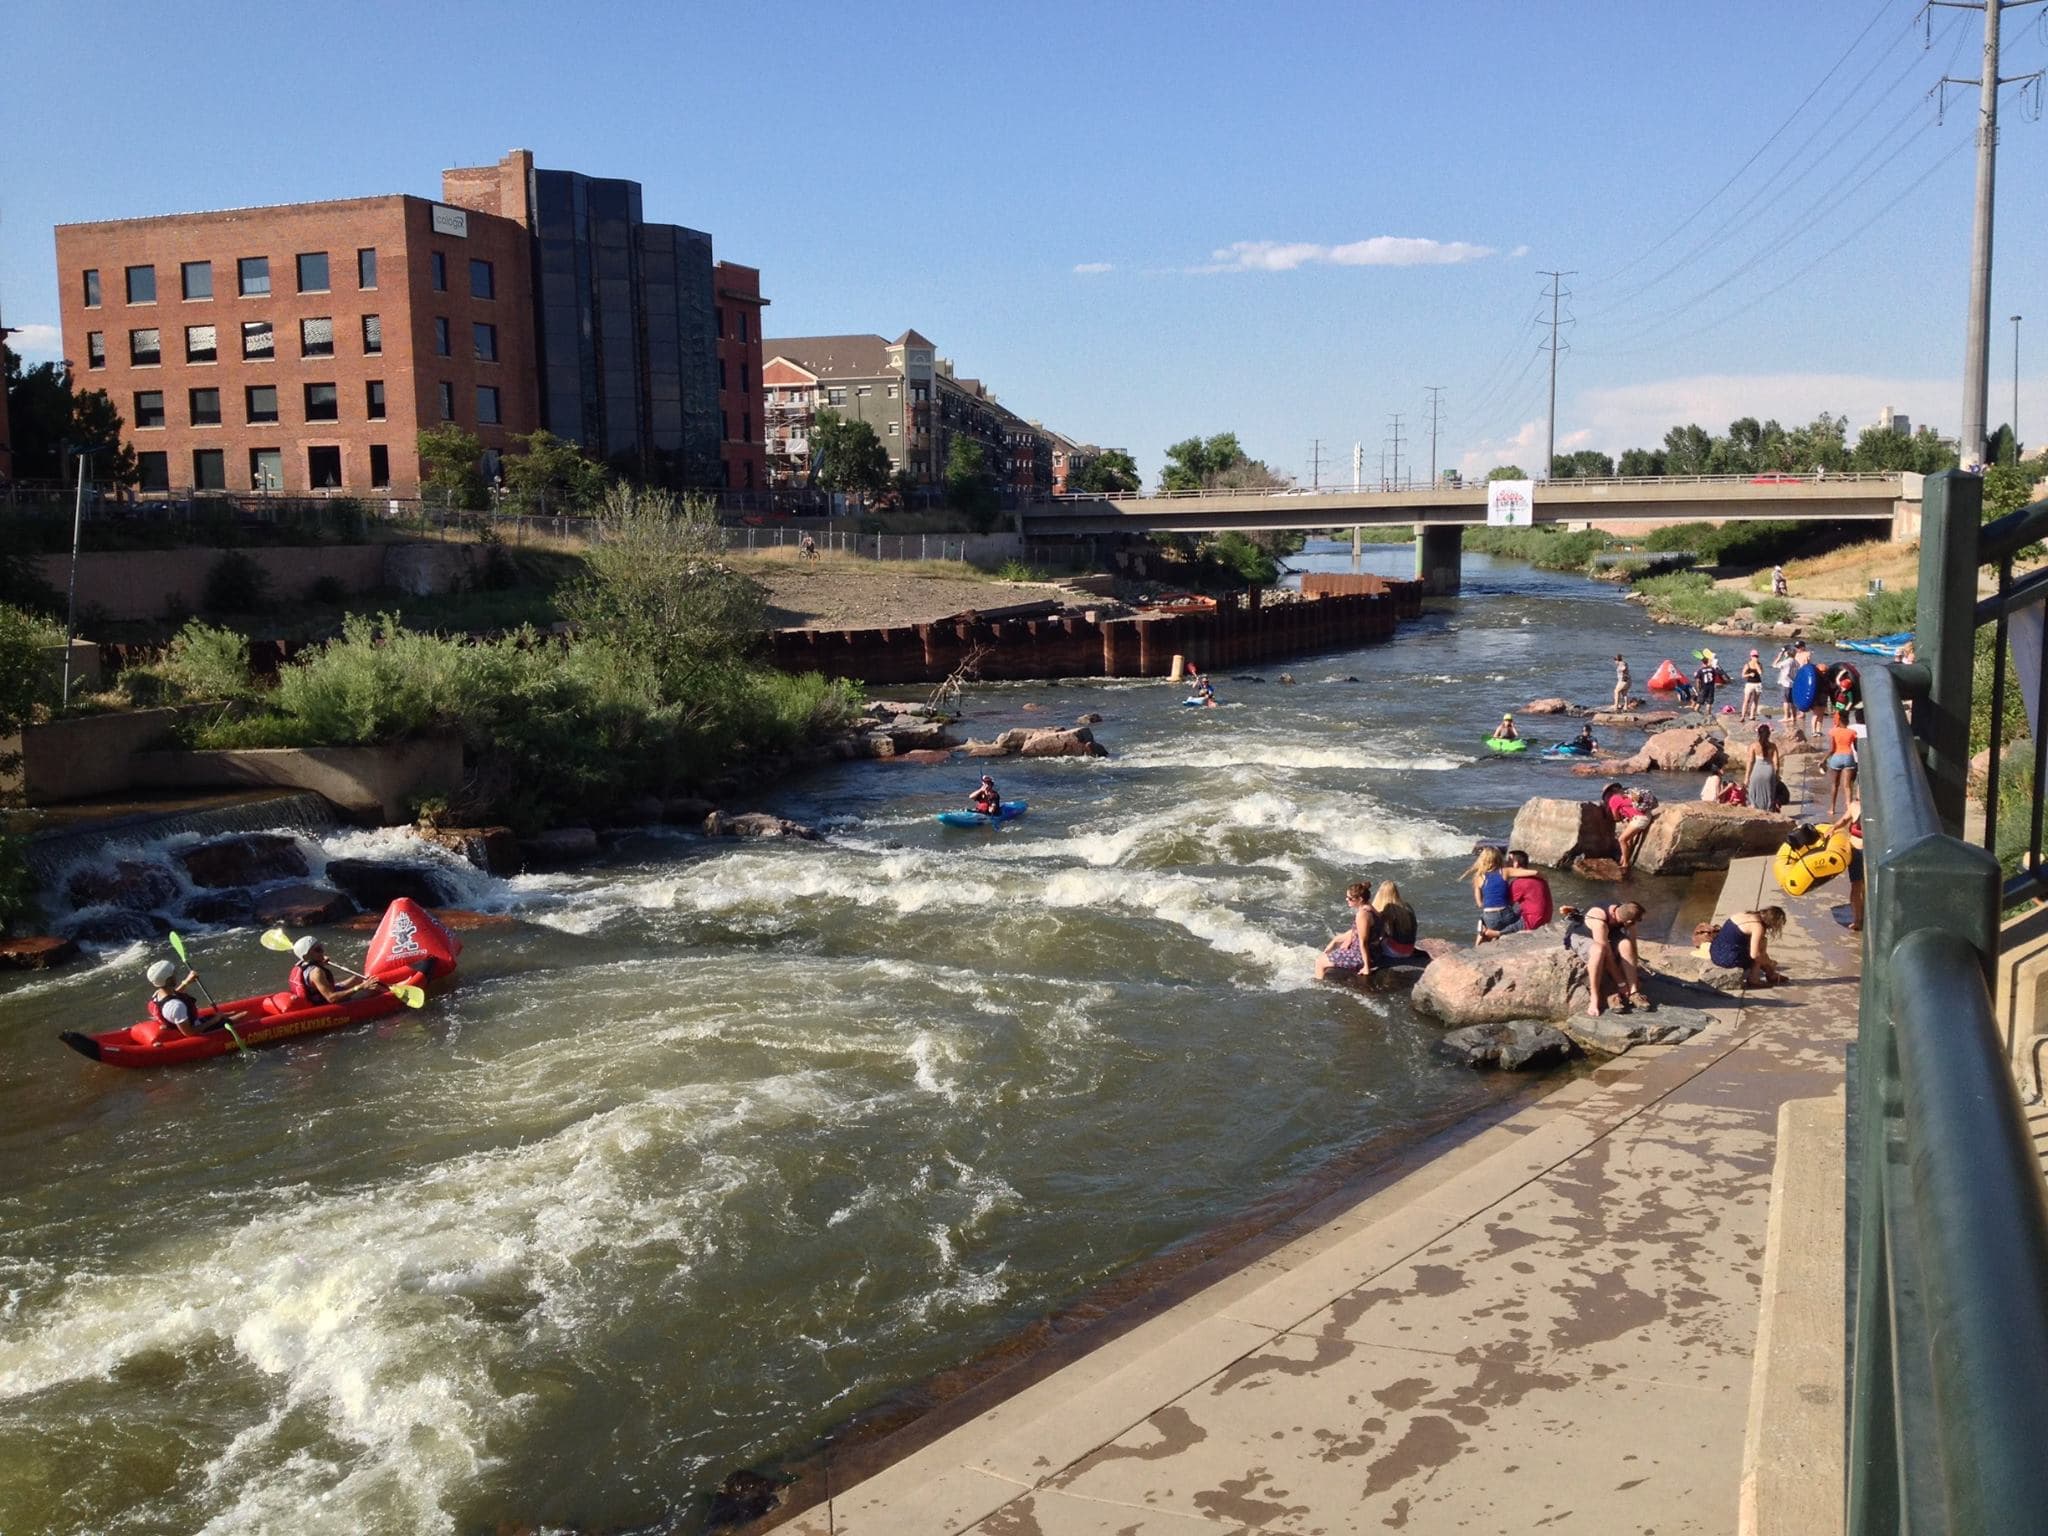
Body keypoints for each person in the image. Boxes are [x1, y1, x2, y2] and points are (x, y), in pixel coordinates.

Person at [1570, 900, 1651, 1017]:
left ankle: (1633, 993)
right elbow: (1608, 956)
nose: (1638, 923)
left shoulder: (1626, 911)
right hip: (1582, 936)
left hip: (1609, 934)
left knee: (1626, 945)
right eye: (1636, 922)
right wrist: (1621, 983)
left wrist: (1634, 979)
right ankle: (1595, 996)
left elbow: (1632, 945)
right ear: (1628, 921)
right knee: (1599, 951)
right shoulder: (1600, 922)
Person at [1707, 906, 1790, 987]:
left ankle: (1771, 974)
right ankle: (1754, 979)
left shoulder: (1745, 914)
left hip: (1715, 950)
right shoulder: (1758, 926)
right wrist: (1769, 962)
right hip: (1726, 958)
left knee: (1761, 943)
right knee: (1760, 950)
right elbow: (1755, 955)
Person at [1316, 881, 1382, 981]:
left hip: (1359, 956)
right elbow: (1359, 931)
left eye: (1350, 898)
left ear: (1360, 899)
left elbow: (1363, 942)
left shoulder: (1362, 915)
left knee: (1320, 961)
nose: (1347, 900)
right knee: (1333, 949)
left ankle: (1319, 985)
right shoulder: (1369, 907)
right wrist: (1340, 940)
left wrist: (1366, 967)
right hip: (1373, 951)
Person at [288, 935, 380, 1006]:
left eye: (321, 947)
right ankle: (385, 997)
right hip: (324, 1002)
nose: (322, 952)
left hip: (320, 994)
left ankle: (383, 990)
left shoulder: (302, 963)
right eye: (318, 950)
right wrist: (360, 987)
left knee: (358, 978)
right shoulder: (316, 972)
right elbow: (331, 999)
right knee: (363, 987)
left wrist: (320, 962)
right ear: (306, 956)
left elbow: (310, 973)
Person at [139, 958, 205, 1043]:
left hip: (177, 1024)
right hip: (196, 1029)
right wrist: (216, 1019)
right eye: (174, 974)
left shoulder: (157, 995)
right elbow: (190, 1032)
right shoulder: (177, 1006)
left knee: (225, 1015)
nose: (176, 974)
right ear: (169, 979)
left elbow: (171, 996)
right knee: (225, 1019)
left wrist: (186, 982)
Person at [1602, 780, 1655, 875]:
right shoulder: (1625, 795)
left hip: (1640, 819)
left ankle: (1625, 864)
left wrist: (1619, 819)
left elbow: (1615, 817)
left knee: (1622, 840)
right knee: (1628, 840)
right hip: (1645, 815)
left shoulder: (1613, 799)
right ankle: (1623, 859)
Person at [1467, 845, 1515, 943]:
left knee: (1482, 920)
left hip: (1491, 917)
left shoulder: (1479, 877)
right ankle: (1493, 934)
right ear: (1499, 859)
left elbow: (1479, 903)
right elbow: (1532, 873)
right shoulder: (1505, 872)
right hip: (1507, 914)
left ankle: (1479, 944)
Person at [1834, 798, 1865, 933]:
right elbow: (1843, 821)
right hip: (1856, 852)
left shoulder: (1877, 806)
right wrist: (1833, 828)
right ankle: (1857, 919)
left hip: (1868, 852)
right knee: (1857, 886)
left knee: (1863, 887)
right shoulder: (1855, 806)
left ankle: (1862, 916)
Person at [1503, 850, 1554, 933]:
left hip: (1532, 923)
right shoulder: (1540, 878)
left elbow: (1506, 905)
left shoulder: (1519, 883)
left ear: (1516, 863)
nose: (1506, 863)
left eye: (1509, 860)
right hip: (1546, 919)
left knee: (1497, 924)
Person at [1371, 881, 1420, 964]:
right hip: (1409, 950)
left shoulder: (1386, 910)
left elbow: (1380, 934)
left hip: (1394, 952)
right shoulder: (1406, 906)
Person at [1825, 710, 1858, 818]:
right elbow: (1857, 749)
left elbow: (1831, 749)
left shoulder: (1833, 731)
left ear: (1838, 720)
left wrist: (1823, 759)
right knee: (1847, 785)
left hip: (1837, 757)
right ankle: (1849, 808)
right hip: (1848, 756)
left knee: (1835, 784)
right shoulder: (1852, 732)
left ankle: (1832, 808)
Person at [1746, 722, 1782, 813]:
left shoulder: (1753, 746)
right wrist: (1777, 775)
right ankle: (1768, 810)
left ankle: (1755, 810)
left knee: (1753, 792)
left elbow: (1750, 762)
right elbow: (1776, 763)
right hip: (1768, 772)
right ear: (1769, 734)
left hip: (1757, 771)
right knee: (1769, 793)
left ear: (1758, 734)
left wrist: (1746, 777)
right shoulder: (1773, 746)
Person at [1774, 641, 1798, 729]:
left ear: (1787, 653)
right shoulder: (1795, 661)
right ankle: (1793, 717)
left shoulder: (1787, 661)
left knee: (1785, 701)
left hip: (1786, 683)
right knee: (1792, 702)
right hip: (1793, 683)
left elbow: (1774, 665)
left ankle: (1786, 717)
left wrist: (1779, 657)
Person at [1740, 649, 1765, 722]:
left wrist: (1756, 664)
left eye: (1756, 656)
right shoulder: (1747, 664)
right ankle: (1743, 716)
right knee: (1746, 700)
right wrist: (1749, 674)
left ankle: (1752, 716)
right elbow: (1742, 675)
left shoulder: (1760, 664)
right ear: (1751, 656)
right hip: (1750, 683)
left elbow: (1761, 672)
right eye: (1754, 656)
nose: (1755, 657)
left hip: (1758, 683)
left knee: (1755, 700)